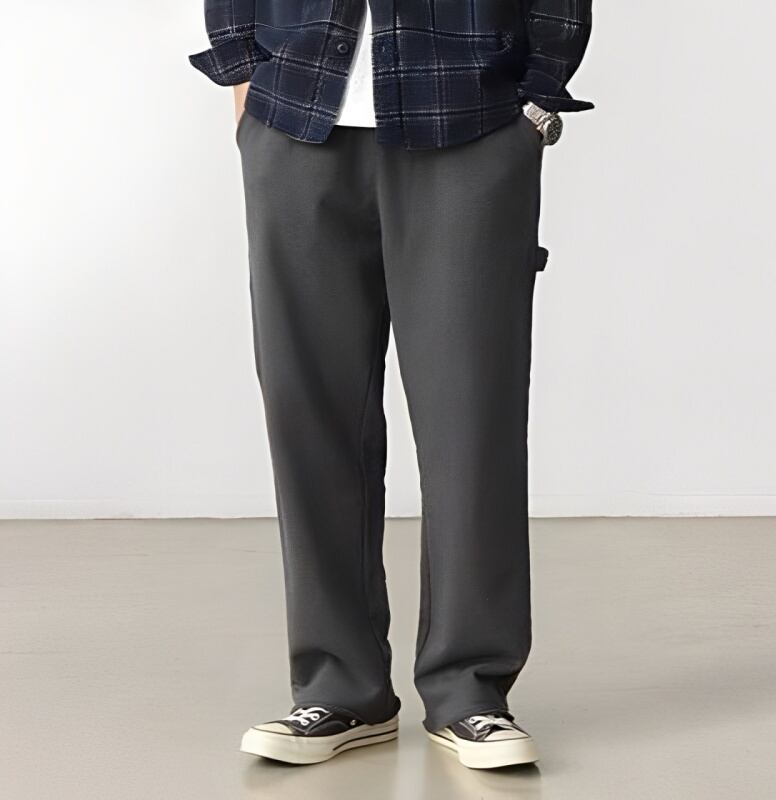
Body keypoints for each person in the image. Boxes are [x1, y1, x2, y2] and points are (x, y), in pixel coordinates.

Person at [189, 0, 592, 770]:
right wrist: (244, 75)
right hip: (297, 114)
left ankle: (471, 690)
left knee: (470, 418)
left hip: (471, 117)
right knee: (311, 415)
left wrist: (538, 98)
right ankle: (340, 688)